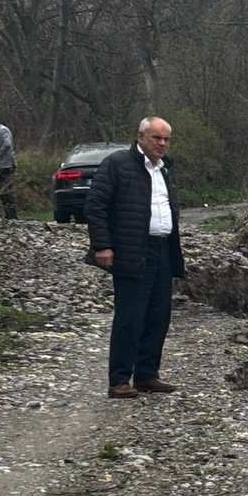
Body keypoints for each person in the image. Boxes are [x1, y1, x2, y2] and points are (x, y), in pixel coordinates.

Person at [84, 116, 186, 399]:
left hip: (163, 249)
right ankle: (119, 380)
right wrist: (102, 246)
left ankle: (147, 375)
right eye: (156, 138)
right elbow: (96, 206)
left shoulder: (164, 169)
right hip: (131, 250)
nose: (162, 144)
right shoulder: (117, 164)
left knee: (158, 315)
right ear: (141, 137)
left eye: (166, 139)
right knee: (130, 316)